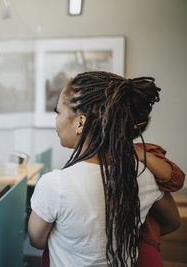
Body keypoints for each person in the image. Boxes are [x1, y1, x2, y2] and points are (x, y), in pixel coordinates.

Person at [28, 71, 181, 266]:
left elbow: (37, 240)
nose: (56, 119)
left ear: (81, 122)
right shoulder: (144, 173)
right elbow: (172, 222)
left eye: (57, 112)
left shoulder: (55, 184)